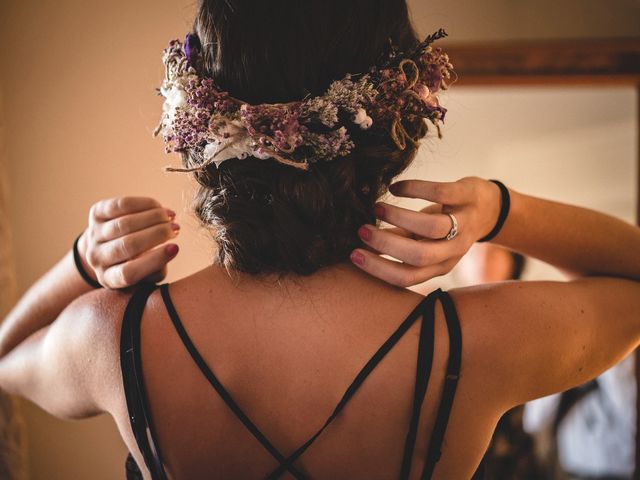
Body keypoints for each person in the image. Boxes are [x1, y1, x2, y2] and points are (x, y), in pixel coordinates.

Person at [1, 1, 640, 479]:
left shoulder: (116, 340)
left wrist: (83, 262)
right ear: (398, 126)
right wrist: (500, 208)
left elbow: (4, 362)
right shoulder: (470, 346)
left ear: (199, 129)